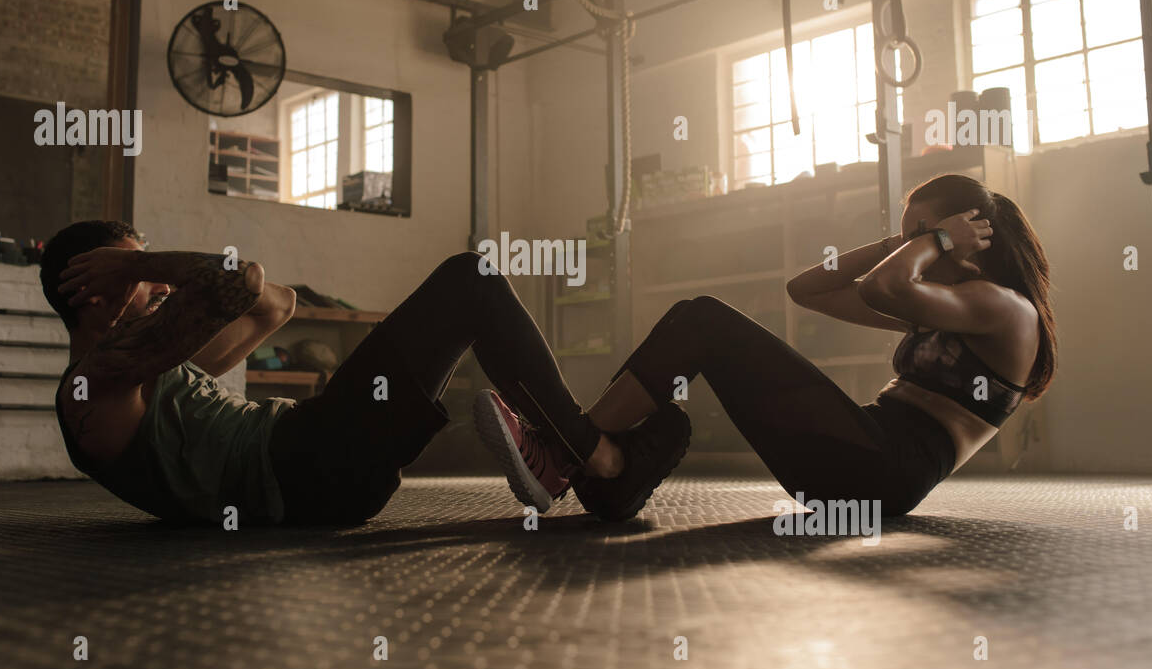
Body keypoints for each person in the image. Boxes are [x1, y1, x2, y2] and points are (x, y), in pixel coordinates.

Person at [40, 221, 688, 527]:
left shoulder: (158, 374)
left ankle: (564, 457)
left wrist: (135, 267)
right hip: (306, 467)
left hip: (321, 459)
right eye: (133, 273)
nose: (151, 281)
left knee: (471, 289)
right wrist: (137, 265)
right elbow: (237, 279)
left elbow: (276, 304)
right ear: (93, 292)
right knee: (471, 279)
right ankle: (598, 461)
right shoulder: (93, 388)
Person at [560, 174, 1056, 519]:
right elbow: (806, 290)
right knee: (692, 317)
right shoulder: (944, 305)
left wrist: (935, 242)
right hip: (857, 456)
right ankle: (602, 461)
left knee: (706, 320)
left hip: (885, 471)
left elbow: (883, 288)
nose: (912, 249)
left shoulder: (1003, 307)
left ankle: (569, 449)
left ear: (965, 235)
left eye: (920, 237)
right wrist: (900, 244)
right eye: (908, 240)